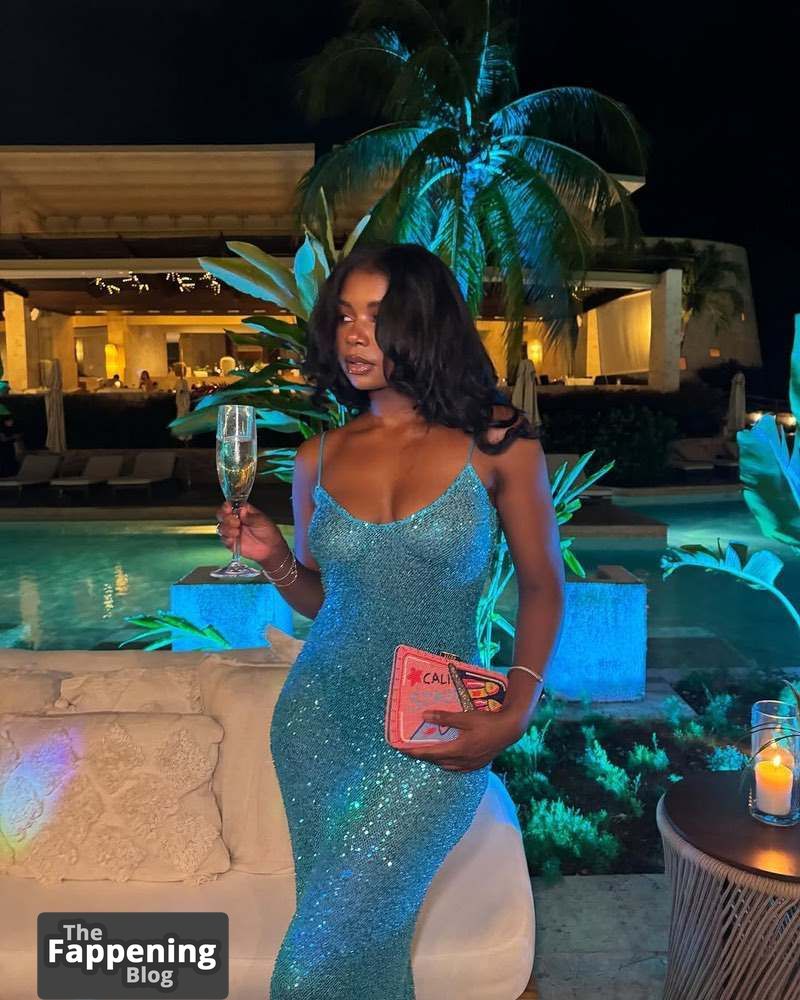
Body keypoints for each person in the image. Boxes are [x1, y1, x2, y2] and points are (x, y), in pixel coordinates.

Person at [216, 242, 565, 999]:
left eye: (376, 315)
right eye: (344, 315)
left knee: (312, 963)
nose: (353, 334)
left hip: (430, 729)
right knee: (360, 956)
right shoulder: (318, 456)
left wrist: (516, 708)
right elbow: (328, 601)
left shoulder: (498, 440)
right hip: (317, 722)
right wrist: (275, 559)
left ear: (424, 321)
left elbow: (543, 586)